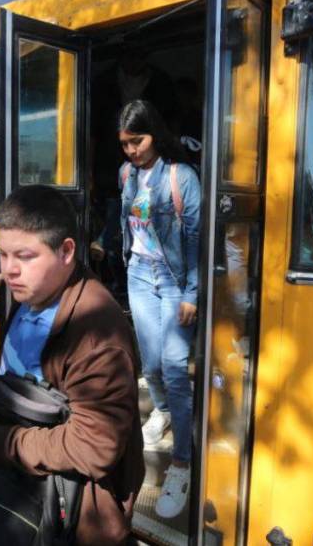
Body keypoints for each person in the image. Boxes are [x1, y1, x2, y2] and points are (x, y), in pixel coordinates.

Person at [0, 185, 145, 545]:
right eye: (3, 255)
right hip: (22, 500)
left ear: (66, 251)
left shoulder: (96, 335)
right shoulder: (33, 294)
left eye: (24, 256)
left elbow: (95, 446)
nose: (9, 271)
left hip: (74, 521)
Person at [117, 99, 201, 518]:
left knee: (173, 368)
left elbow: (196, 239)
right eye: (125, 144)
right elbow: (129, 224)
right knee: (148, 364)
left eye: (138, 140)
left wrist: (192, 292)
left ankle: (181, 463)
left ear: (156, 133)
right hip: (138, 275)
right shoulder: (126, 174)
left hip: (172, 281)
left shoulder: (180, 176)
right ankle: (164, 413)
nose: (132, 150)